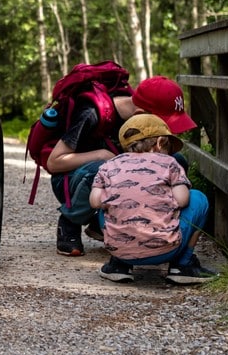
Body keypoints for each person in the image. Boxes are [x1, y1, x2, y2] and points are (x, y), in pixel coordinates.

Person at [47, 74, 198, 256]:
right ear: (141, 115)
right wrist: (102, 156)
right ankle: (70, 221)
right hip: (74, 181)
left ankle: (133, 223)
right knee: (101, 168)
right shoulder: (91, 114)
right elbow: (54, 162)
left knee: (177, 161)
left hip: (117, 179)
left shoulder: (142, 114)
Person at [89, 114, 217, 284]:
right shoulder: (169, 163)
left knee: (107, 203)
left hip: (121, 250)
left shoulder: (109, 166)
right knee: (198, 198)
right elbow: (183, 200)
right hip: (165, 250)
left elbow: (95, 202)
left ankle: (118, 265)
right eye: (169, 147)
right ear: (160, 142)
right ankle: (183, 265)